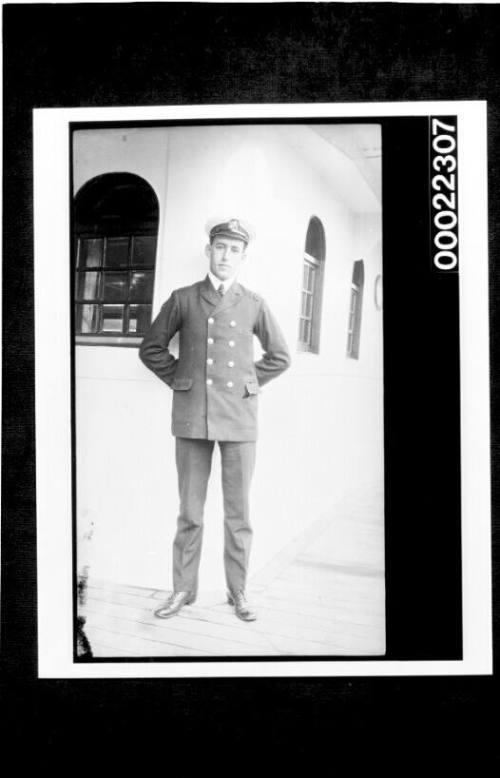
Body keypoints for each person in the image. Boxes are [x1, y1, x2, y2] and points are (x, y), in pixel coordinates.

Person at [139, 217, 291, 621]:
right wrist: (183, 381)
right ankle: (182, 590)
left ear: (243, 256)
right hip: (192, 418)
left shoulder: (254, 302)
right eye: (220, 247)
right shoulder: (183, 298)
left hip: (239, 419)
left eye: (234, 249)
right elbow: (151, 349)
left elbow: (280, 357)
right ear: (209, 251)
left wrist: (246, 383)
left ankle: (238, 592)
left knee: (238, 514)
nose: (226, 256)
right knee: (190, 510)